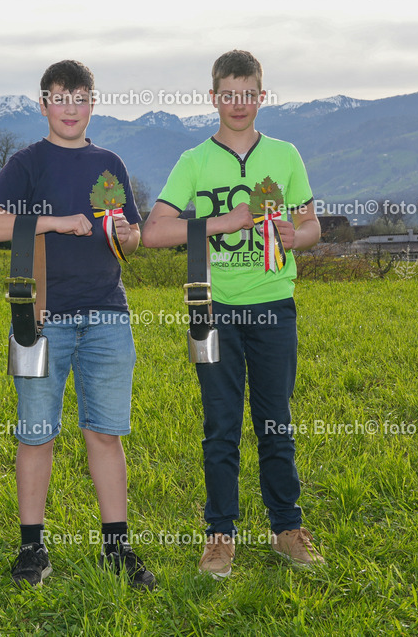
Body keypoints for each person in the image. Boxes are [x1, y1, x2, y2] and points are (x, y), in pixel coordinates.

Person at [0, 60, 156, 590]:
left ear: (92, 103)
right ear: (44, 104)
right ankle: (32, 547)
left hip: (107, 314)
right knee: (36, 436)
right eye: (60, 98)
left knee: (106, 433)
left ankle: (116, 547)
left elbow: (133, 237)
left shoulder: (109, 163)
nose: (70, 108)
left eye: (80, 98)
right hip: (41, 317)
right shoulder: (28, 162)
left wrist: (127, 233)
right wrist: (54, 222)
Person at [142, 50, 325, 576]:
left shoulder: (285, 155)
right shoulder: (195, 161)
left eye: (248, 94)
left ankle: (287, 530)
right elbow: (154, 233)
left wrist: (297, 236)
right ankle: (219, 537)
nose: (238, 104)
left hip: (274, 306)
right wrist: (225, 221)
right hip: (214, 309)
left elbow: (312, 226)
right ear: (213, 97)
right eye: (229, 94)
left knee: (275, 422)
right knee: (220, 427)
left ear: (261, 97)